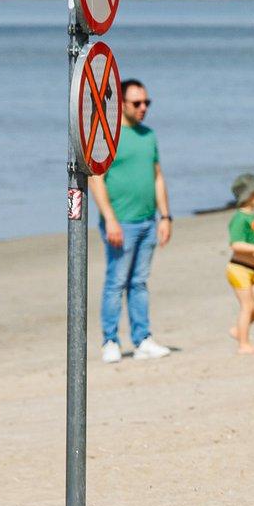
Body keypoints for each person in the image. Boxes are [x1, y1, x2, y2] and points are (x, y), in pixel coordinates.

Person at [90, 78, 173, 362]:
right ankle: (110, 341)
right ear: (120, 105)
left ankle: (142, 339)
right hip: (120, 223)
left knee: (139, 282)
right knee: (116, 281)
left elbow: (158, 176)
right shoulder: (106, 136)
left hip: (148, 221)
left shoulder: (148, 136)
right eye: (137, 103)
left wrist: (166, 216)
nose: (143, 108)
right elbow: (96, 178)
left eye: (147, 103)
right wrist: (110, 219)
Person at [224, 172, 254, 356]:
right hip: (238, 268)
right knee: (248, 305)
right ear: (249, 195)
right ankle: (243, 344)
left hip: (252, 268)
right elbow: (235, 244)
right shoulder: (240, 218)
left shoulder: (252, 217)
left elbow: (253, 242)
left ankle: (239, 331)